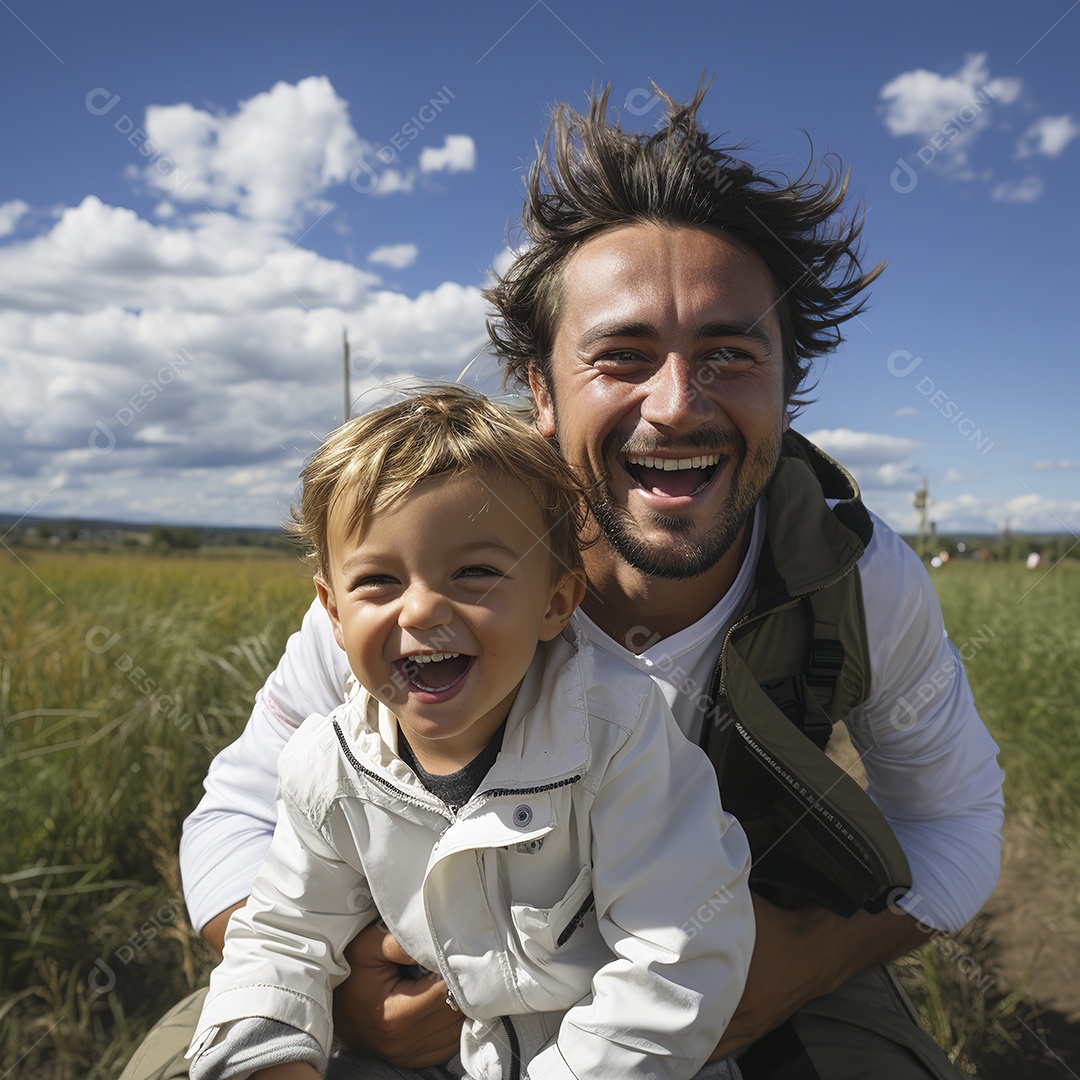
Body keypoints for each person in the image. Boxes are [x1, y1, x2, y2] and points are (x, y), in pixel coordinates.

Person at [122, 83, 1004, 1080]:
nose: (677, 406)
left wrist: (808, 962)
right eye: (621, 357)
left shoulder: (854, 575)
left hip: (738, 975)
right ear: (540, 388)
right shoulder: (426, 568)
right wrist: (350, 990)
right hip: (428, 966)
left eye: (729, 355)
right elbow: (239, 814)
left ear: (788, 384)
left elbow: (956, 818)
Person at [184, 386, 754, 1080]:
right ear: (332, 614)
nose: (421, 608)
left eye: (476, 573)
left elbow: (679, 953)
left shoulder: (617, 735)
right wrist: (270, 1061)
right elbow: (283, 937)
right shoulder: (327, 766)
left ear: (555, 603)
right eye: (378, 581)